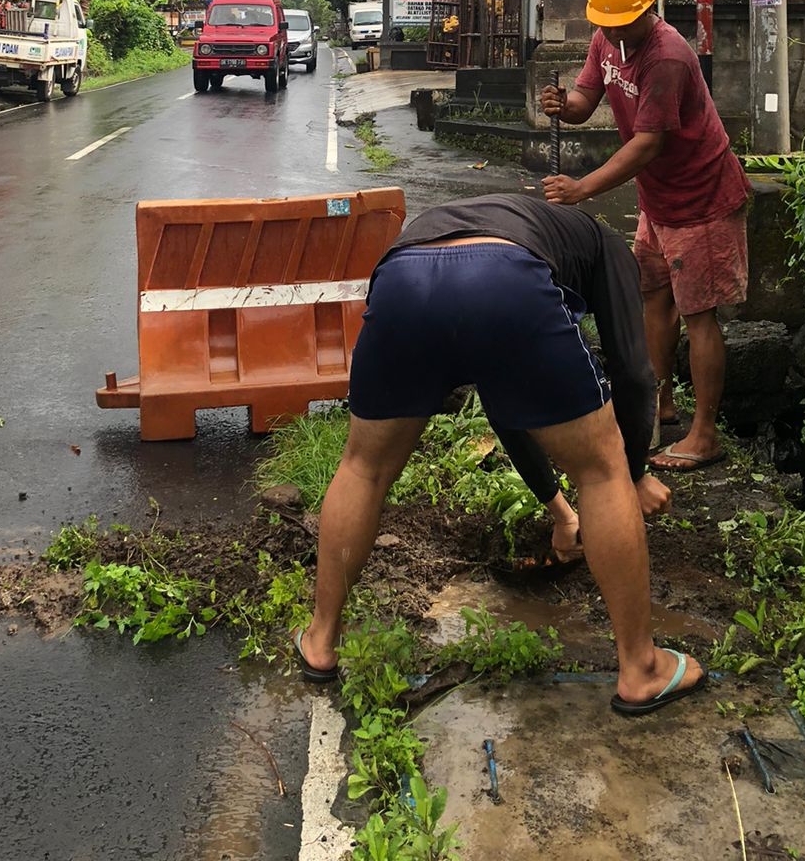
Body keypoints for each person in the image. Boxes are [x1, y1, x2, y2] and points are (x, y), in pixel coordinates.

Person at [294, 193, 706, 717]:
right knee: (602, 473)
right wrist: (636, 472)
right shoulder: (607, 246)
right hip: (505, 277)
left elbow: (507, 404)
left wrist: (561, 513)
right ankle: (642, 668)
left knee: (364, 468)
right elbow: (633, 371)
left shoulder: (517, 222)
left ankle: (320, 640)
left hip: (401, 279)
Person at [539, 0, 751, 473]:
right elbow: (585, 100)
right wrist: (563, 104)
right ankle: (661, 403)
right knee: (654, 297)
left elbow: (647, 144)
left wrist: (582, 188)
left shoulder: (667, 56)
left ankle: (705, 434)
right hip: (657, 201)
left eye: (622, 23)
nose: (612, 33)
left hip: (701, 199)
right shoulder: (606, 38)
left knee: (699, 314)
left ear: (647, 10)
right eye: (605, 23)